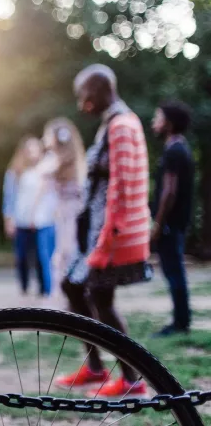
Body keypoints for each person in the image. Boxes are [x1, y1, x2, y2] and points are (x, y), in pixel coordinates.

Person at [56, 64, 152, 397]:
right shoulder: (114, 123)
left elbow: (123, 185)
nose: (81, 103)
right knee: (78, 288)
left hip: (110, 233)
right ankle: (98, 368)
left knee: (95, 295)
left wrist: (108, 237)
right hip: (100, 231)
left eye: (83, 94)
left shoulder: (122, 125)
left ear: (97, 90)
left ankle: (132, 378)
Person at [150, 100, 194, 336]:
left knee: (174, 271)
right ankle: (181, 319)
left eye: (157, 118)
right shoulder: (179, 148)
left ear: (169, 123)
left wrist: (158, 223)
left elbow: (170, 191)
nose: (154, 123)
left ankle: (180, 323)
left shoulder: (174, 151)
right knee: (174, 270)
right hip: (175, 223)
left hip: (170, 224)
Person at [41, 118, 86, 288]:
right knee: (64, 252)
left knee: (67, 252)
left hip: (70, 211)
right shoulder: (60, 161)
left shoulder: (60, 163)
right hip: (64, 210)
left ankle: (66, 292)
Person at [3, 136, 45, 293]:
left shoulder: (45, 171)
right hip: (20, 220)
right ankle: (24, 287)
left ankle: (43, 289)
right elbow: (9, 197)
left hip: (39, 221)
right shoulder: (15, 172)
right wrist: (9, 219)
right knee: (21, 257)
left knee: (41, 257)